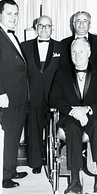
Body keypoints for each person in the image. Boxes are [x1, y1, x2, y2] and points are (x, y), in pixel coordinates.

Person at [49, 37, 97, 194]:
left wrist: (87, 109)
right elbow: (53, 99)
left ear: (89, 53)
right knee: (72, 128)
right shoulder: (61, 73)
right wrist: (73, 111)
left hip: (93, 116)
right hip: (69, 117)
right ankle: (75, 181)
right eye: (74, 52)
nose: (77, 55)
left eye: (81, 51)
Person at [0, 0, 29, 188]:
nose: (13, 17)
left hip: (17, 96)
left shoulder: (10, 36)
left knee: (13, 135)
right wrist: (0, 93)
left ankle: (10, 169)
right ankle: (2, 176)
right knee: (4, 136)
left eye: (16, 14)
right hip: (5, 98)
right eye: (9, 13)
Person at [21, 15, 67, 174]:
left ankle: (54, 159)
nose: (44, 29)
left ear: (52, 28)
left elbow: (64, 73)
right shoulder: (24, 46)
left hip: (54, 96)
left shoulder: (60, 47)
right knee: (33, 129)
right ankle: (35, 163)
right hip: (33, 94)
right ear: (36, 28)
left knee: (54, 128)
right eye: (41, 26)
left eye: (48, 26)